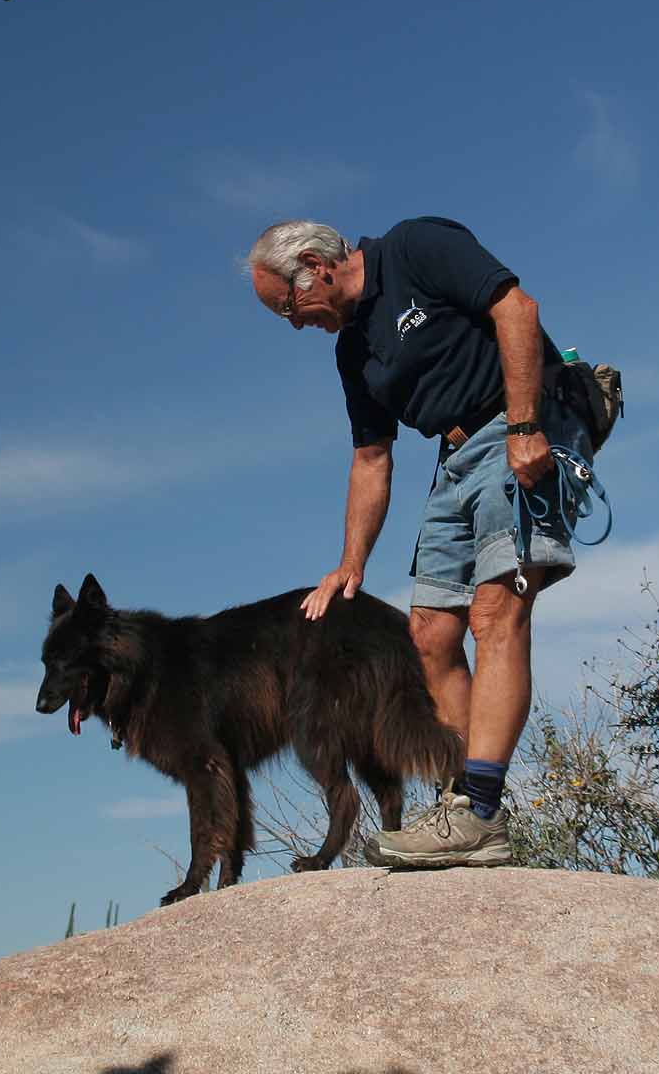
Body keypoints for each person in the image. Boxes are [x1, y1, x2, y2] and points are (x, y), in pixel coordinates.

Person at [244, 215, 594, 867]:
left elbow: (517, 310)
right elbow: (371, 459)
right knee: (430, 634)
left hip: (520, 426)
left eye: (288, 306)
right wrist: (350, 565)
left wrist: (523, 427)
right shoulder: (353, 351)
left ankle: (479, 814)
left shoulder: (416, 247)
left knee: (496, 613)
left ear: (318, 264)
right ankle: (460, 802)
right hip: (455, 461)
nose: (293, 323)